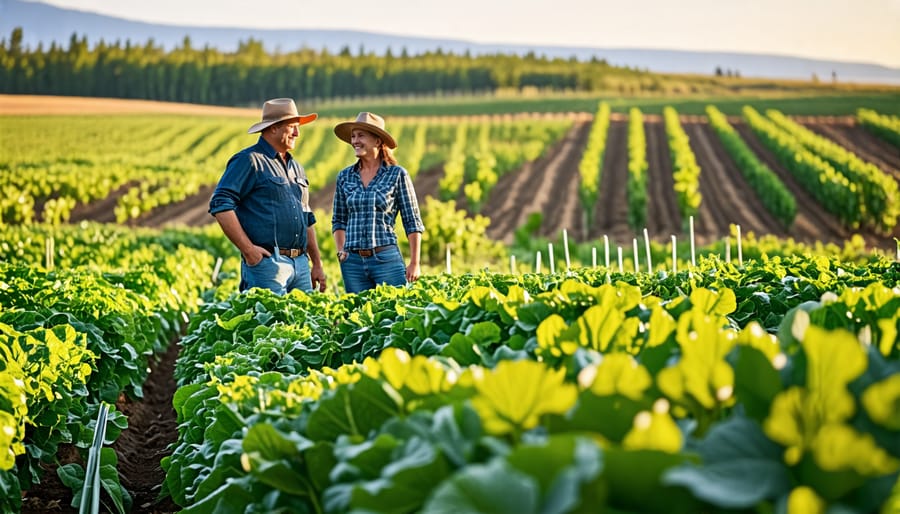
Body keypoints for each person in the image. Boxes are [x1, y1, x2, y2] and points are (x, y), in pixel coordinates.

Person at [208, 97, 326, 295]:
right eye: (292, 127)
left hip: (301, 265)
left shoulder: (296, 168)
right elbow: (220, 204)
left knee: (305, 323)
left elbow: (307, 218)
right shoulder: (249, 160)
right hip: (269, 264)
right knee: (269, 323)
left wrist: (317, 264)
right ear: (273, 128)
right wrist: (249, 251)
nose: (297, 133)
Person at [332, 112, 425, 293]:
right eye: (353, 136)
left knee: (394, 315)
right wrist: (341, 252)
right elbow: (339, 220)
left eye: (361, 136)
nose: (355, 141)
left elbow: (412, 222)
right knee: (358, 317)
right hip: (353, 264)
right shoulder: (345, 176)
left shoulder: (397, 174)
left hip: (386, 259)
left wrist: (415, 262)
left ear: (377, 141)